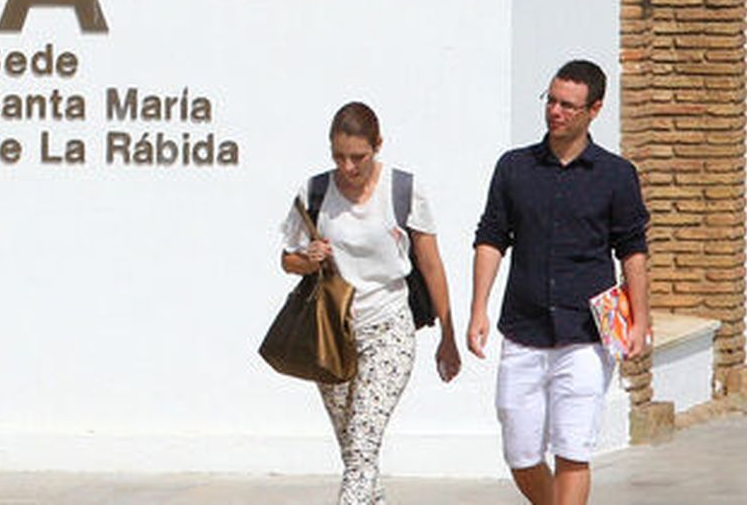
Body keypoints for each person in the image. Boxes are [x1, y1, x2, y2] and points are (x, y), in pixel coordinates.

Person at [466, 60, 651, 505]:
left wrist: (640, 320)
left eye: (568, 105)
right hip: (523, 329)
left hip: (586, 334)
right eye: (551, 101)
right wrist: (478, 308)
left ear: (595, 109)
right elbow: (491, 237)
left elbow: (632, 251)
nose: (556, 112)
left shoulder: (616, 175)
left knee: (572, 450)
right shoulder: (514, 168)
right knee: (521, 453)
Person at [279, 102, 461, 505]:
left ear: (378, 145)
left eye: (358, 157)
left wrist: (448, 337)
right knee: (355, 454)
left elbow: (431, 265)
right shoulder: (314, 191)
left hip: (388, 331)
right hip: (331, 335)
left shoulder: (403, 190)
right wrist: (306, 259)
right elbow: (287, 260)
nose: (348, 167)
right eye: (339, 157)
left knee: (362, 448)